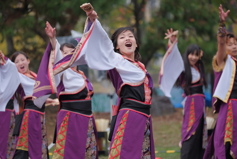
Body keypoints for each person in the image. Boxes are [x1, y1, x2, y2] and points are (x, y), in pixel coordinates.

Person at [52, 3, 155, 158]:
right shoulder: (116, 60)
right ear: (117, 47)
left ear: (136, 43)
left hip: (144, 117)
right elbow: (104, 44)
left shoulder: (140, 66)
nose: (127, 38)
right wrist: (93, 18)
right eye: (122, 37)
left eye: (130, 36)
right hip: (131, 116)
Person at [33, 21, 98, 158]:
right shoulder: (63, 73)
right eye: (65, 53)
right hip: (71, 117)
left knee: (87, 152)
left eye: (72, 53)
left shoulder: (81, 75)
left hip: (86, 117)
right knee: (69, 151)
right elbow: (56, 56)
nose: (69, 55)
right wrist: (52, 38)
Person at [0, 50, 57, 159]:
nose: (21, 63)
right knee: (25, 148)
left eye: (22, 60)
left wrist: (50, 100)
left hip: (39, 114)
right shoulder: (17, 77)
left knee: (39, 147)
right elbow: (8, 68)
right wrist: (4, 58)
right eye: (17, 62)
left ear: (28, 61)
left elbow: (36, 94)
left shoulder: (35, 76)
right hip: (30, 115)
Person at [161, 29, 207, 159]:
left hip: (200, 104)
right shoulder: (182, 69)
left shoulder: (199, 67)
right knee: (189, 132)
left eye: (196, 55)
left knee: (199, 133)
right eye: (191, 54)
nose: (193, 57)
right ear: (187, 55)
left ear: (199, 56)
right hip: (191, 104)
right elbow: (172, 59)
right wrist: (172, 42)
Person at [204, 4, 237, 159]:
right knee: (226, 144)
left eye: (235, 43)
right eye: (229, 44)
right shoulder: (223, 62)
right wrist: (222, 25)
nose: (233, 46)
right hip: (230, 106)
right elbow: (220, 44)